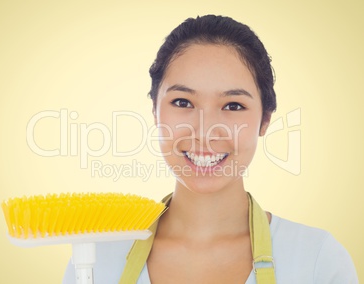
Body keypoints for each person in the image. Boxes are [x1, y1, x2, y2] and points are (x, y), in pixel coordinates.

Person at [63, 15, 358, 283]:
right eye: (183, 102)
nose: (205, 132)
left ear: (264, 121)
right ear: (155, 112)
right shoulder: (94, 259)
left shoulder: (317, 261)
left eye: (233, 106)